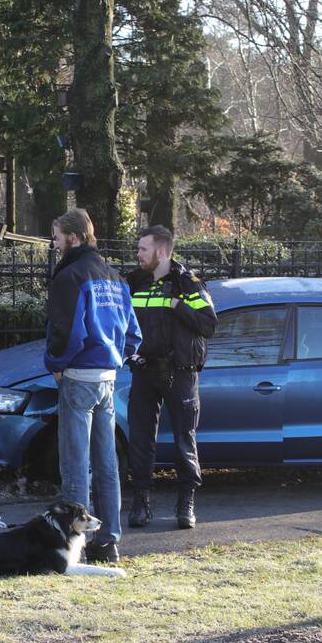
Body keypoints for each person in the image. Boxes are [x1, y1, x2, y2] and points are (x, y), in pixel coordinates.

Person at [45, 208, 141, 564]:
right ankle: (109, 541)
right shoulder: (115, 277)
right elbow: (134, 334)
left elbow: (66, 331)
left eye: (57, 237)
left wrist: (56, 364)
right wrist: (117, 357)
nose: (55, 245)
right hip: (108, 377)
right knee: (107, 464)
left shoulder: (70, 276)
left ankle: (74, 544)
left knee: (74, 465)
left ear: (73, 237)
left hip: (79, 376)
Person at [126, 225, 217, 529]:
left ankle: (186, 504)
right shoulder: (134, 281)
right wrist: (130, 353)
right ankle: (140, 503)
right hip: (145, 371)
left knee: (183, 439)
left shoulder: (187, 283)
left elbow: (208, 324)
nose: (137, 254)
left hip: (180, 373)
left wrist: (177, 304)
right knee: (140, 440)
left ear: (161, 251)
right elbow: (121, 321)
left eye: (143, 249)